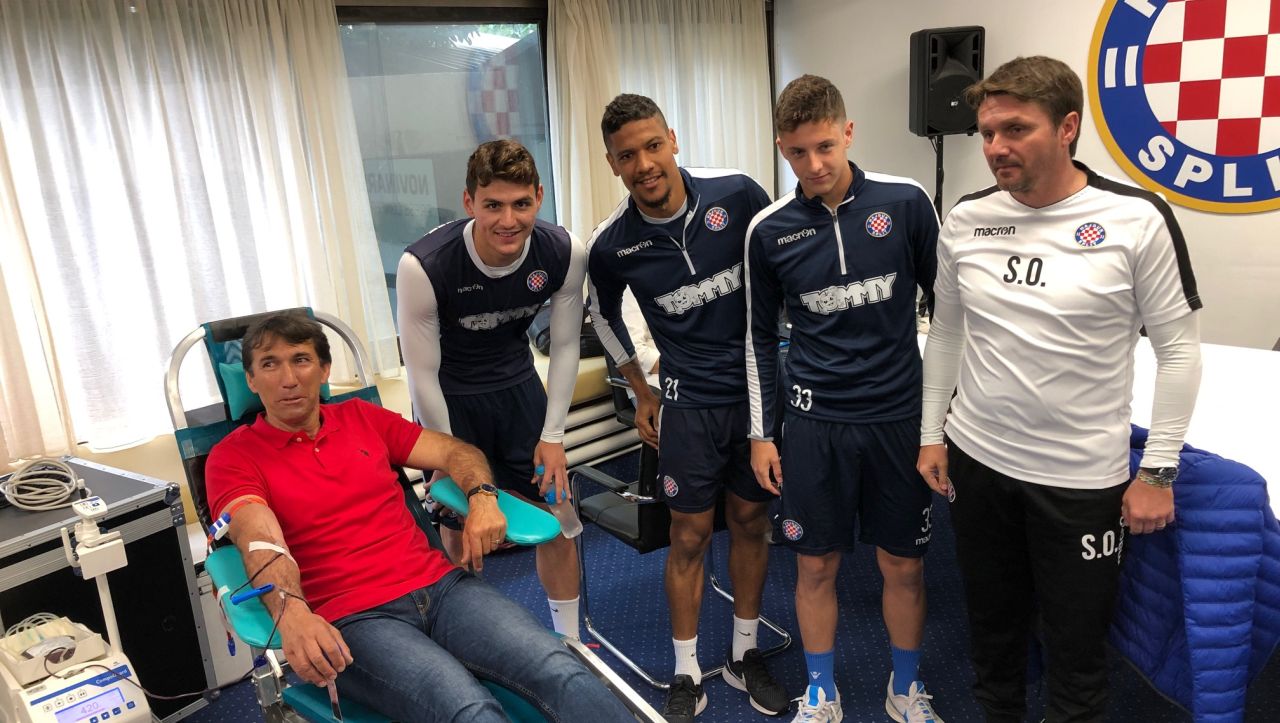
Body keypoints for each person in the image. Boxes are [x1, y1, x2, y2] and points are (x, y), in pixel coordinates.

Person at [916, 56, 1202, 723]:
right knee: (993, 634)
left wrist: (1158, 469)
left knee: (1076, 654)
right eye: (988, 132)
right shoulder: (967, 218)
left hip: (1078, 480)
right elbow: (948, 333)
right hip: (978, 462)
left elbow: (1179, 351)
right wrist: (932, 433)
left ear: (1067, 127)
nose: (996, 147)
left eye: (1016, 129)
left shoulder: (1135, 218)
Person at [204, 313, 632, 723]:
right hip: (353, 619)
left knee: (561, 669)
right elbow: (259, 538)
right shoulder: (233, 456)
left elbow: (455, 451)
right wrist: (292, 614)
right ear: (251, 380)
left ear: (324, 369)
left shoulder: (360, 417)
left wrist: (483, 498)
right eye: (269, 364)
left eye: (301, 359)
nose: (288, 378)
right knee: (468, 709)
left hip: (442, 588)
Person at [744, 74, 941, 723]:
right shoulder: (768, 230)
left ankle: (905, 688)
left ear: (848, 132)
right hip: (814, 425)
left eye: (825, 146)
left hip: (897, 420)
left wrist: (940, 423)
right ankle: (821, 691)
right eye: (797, 152)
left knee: (903, 566)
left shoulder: (906, 202)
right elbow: (757, 336)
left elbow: (950, 314)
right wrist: (762, 434)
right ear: (781, 147)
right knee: (815, 567)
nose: (814, 165)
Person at [587, 94, 787, 721]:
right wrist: (640, 390)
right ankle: (685, 670)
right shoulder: (611, 244)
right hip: (688, 406)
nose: (645, 164)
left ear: (672, 139)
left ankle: (745, 653)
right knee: (689, 535)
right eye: (627, 155)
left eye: (653, 146)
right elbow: (602, 315)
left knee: (751, 522)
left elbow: (783, 268)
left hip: (755, 397)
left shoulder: (739, 194)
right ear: (613, 163)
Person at [396, 139, 585, 639]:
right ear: (469, 202)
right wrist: (447, 456)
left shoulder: (563, 251)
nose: (508, 220)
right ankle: (471, 643)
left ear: (539, 196)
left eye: (521, 204)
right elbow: (421, 373)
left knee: (558, 521)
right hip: (449, 403)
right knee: (462, 534)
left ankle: (570, 642)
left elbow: (566, 345)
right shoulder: (425, 265)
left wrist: (554, 436)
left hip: (519, 392)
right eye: (493, 205)